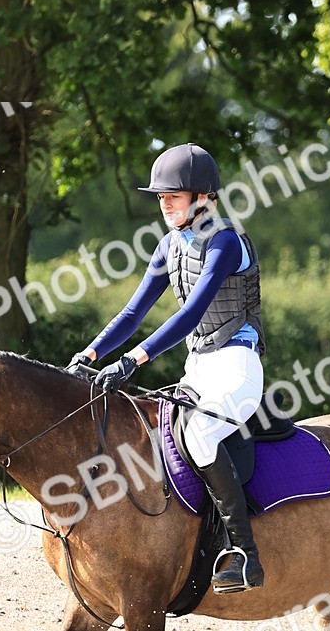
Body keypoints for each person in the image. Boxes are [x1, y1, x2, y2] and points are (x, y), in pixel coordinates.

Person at [66, 142, 266, 593]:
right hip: (199, 368)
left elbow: (191, 315)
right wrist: (90, 355)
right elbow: (132, 314)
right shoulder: (170, 245)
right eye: (161, 197)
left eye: (173, 196)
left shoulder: (226, 241)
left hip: (237, 366)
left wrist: (132, 360)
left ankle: (245, 555)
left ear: (203, 196)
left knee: (199, 435)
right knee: (153, 435)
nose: (164, 204)